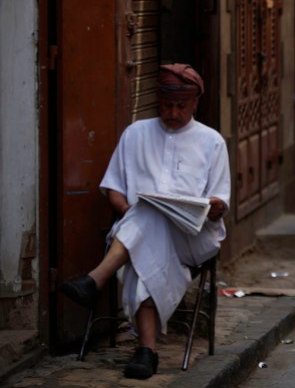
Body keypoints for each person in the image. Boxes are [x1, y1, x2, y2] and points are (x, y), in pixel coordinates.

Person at [60, 64, 231, 379]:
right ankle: (146, 352)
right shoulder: (136, 133)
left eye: (181, 106)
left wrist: (215, 207)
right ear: (157, 100)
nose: (173, 112)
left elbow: (219, 204)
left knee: (148, 216)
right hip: (138, 231)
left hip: (193, 238)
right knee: (148, 222)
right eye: (167, 105)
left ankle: (94, 281)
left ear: (195, 104)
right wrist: (128, 210)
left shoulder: (212, 142)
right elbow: (113, 188)